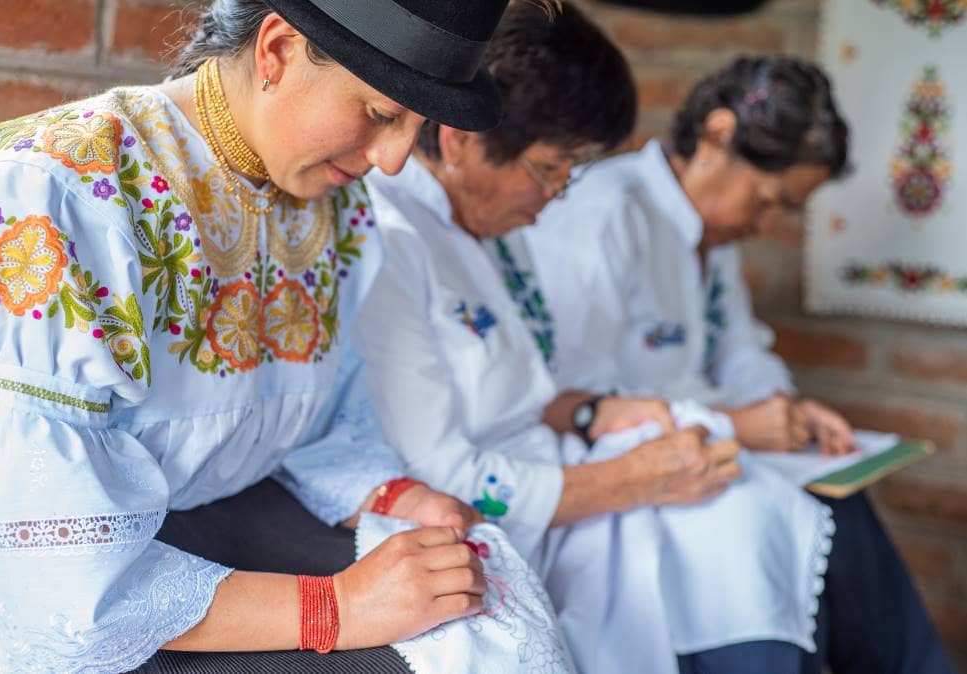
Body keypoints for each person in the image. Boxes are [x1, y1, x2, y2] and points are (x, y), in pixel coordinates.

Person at [0, 1, 536, 672]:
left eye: (414, 129)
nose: (391, 162)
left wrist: (391, 495)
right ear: (277, 50)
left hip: (224, 527)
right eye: (382, 114)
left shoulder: (335, 206)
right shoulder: (55, 196)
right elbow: (57, 577)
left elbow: (327, 421)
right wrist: (337, 608)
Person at [355, 5, 841, 673]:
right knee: (736, 545)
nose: (557, 196)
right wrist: (623, 481)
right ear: (463, 139)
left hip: (561, 481)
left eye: (569, 173)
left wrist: (588, 411)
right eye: (550, 168)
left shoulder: (493, 231)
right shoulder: (393, 244)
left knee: (761, 533)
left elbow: (515, 388)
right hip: (488, 525)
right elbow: (445, 476)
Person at [518, 55, 955, 673]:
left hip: (706, 444)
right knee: (758, 532)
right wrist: (741, 425)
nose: (763, 224)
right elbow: (573, 402)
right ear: (718, 137)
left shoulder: (710, 237)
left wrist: (787, 410)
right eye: (767, 200)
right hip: (622, 467)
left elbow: (743, 350)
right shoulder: (603, 214)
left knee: (841, 502)